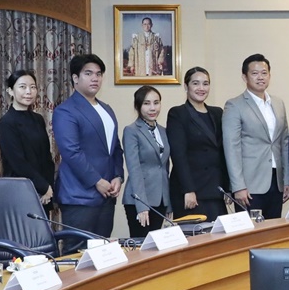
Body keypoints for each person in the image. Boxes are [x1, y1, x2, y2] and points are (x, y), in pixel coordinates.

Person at [53, 54, 123, 246]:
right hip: (79, 196)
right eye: (88, 73)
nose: (95, 78)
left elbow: (115, 148)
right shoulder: (65, 111)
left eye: (99, 74)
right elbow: (71, 152)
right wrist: (97, 181)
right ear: (75, 78)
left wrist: (118, 176)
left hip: (107, 195)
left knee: (102, 251)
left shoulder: (107, 109)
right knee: (77, 252)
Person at [222, 54, 289, 219]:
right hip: (249, 185)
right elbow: (231, 148)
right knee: (251, 232)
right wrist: (238, 186)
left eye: (264, 73)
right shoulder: (234, 105)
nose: (260, 77)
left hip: (276, 182)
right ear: (244, 77)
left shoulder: (278, 103)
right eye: (254, 73)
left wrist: (287, 179)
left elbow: (285, 142)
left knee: (274, 230)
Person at [167, 66, 229, 222]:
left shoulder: (217, 113)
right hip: (191, 191)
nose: (201, 88)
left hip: (215, 189)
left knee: (219, 234)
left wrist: (228, 187)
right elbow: (178, 155)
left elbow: (224, 152)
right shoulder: (178, 113)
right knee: (196, 234)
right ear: (186, 86)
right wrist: (188, 190)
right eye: (196, 83)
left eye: (205, 84)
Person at [0, 69, 55, 209]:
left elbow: (46, 157)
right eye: (22, 87)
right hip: (20, 189)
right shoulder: (7, 122)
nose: (29, 91)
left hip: (44, 191)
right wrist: (43, 186)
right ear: (10, 91)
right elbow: (18, 162)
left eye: (33, 87)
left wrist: (48, 187)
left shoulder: (38, 119)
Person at [122, 86, 172, 237]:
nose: (152, 108)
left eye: (156, 103)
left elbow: (165, 168)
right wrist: (141, 205)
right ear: (138, 106)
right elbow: (134, 169)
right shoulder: (131, 130)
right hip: (139, 200)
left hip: (161, 199)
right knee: (142, 245)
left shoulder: (163, 131)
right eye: (146, 103)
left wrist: (168, 203)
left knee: (157, 245)